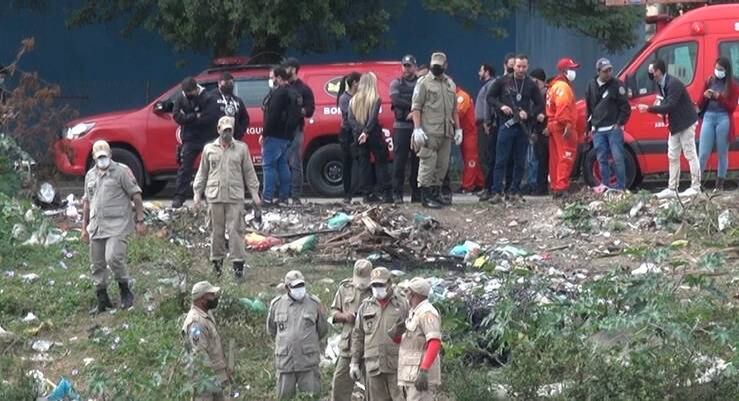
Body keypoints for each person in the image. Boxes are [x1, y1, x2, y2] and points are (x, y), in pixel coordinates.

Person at [193, 116, 261, 279]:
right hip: (215, 197)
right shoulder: (209, 149)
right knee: (216, 233)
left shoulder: (241, 149)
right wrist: (197, 194)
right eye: (224, 131)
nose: (227, 134)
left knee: (236, 232)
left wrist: (255, 194)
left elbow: (249, 173)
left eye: (230, 130)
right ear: (218, 130)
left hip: (234, 197)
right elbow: (202, 173)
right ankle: (217, 267)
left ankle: (238, 269)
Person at [82, 140, 145, 313]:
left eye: (105, 156)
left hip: (118, 224)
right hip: (97, 225)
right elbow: (87, 202)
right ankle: (102, 299)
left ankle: (125, 291)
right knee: (96, 264)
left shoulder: (121, 172)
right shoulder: (90, 175)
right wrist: (84, 227)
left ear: (110, 154)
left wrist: (140, 220)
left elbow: (136, 195)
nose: (102, 159)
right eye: (99, 157)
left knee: (113, 258)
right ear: (94, 157)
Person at [637, 59, 701, 198]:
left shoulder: (673, 84)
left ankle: (696, 187)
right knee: (672, 155)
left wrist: (649, 108)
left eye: (652, 71)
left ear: (659, 71)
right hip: (675, 124)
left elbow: (670, 106)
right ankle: (672, 188)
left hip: (686, 122)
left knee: (690, 153)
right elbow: (666, 103)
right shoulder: (661, 83)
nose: (650, 74)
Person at [486, 54, 545, 204]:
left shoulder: (531, 84)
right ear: (514, 66)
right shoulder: (503, 81)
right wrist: (501, 106)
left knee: (520, 161)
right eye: (518, 66)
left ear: (528, 67)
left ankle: (515, 191)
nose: (521, 69)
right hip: (506, 125)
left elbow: (540, 104)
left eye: (524, 67)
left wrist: (529, 113)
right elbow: (490, 97)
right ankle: (497, 191)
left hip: (522, 127)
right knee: (501, 159)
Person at [411, 52, 462, 209]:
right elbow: (416, 107)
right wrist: (417, 129)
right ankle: (425, 197)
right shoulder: (423, 83)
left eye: (439, 66)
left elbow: (454, 110)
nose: (436, 69)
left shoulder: (450, 84)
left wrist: (458, 129)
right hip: (429, 131)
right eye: (434, 66)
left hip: (446, 131)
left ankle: (436, 193)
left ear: (445, 66)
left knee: (442, 165)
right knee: (427, 164)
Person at [267, 270, 328, 400]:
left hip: (308, 362)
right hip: (285, 362)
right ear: (287, 288)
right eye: (295, 286)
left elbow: (322, 330)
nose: (299, 289)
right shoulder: (276, 305)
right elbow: (272, 331)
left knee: (311, 397)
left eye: (301, 285)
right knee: (284, 397)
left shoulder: (314, 303)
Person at [350, 267, 409, 401]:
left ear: (389, 283)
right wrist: (354, 362)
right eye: (374, 285)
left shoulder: (402, 304)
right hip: (373, 365)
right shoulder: (365, 307)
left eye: (381, 285)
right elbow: (358, 335)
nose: (377, 288)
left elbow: (410, 331)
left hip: (396, 365)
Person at [329, 259, 373, 401]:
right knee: (340, 383)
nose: (361, 284)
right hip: (347, 345)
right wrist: (345, 316)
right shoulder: (345, 288)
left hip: (369, 345)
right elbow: (334, 312)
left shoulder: (377, 289)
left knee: (373, 387)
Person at [585, 58, 631, 192]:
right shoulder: (591, 85)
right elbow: (589, 106)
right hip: (598, 129)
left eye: (610, 70)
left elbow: (625, 107)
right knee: (601, 159)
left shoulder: (617, 85)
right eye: (605, 71)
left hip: (613, 129)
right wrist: (589, 127)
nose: (608, 73)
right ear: (598, 71)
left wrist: (619, 123)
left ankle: (621, 187)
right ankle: (605, 186)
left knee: (618, 158)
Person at [172, 77, 218, 209]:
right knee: (185, 168)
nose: (187, 96)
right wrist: (193, 116)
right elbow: (177, 116)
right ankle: (179, 197)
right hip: (190, 139)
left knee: (212, 167)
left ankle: (212, 196)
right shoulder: (181, 98)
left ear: (196, 89)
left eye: (189, 93)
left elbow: (209, 117)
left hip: (208, 137)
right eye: (185, 93)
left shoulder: (208, 98)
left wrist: (189, 118)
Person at [349, 72, 393, 203]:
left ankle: (367, 194)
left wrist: (361, 131)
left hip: (358, 136)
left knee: (364, 164)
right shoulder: (375, 98)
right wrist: (367, 131)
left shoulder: (353, 100)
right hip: (373, 134)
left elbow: (350, 119)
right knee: (381, 162)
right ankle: (386, 193)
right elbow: (373, 118)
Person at [397, 277, 443, 401]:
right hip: (411, 374)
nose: (406, 295)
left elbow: (434, 342)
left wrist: (424, 370)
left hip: (420, 375)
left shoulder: (427, 313)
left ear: (414, 294)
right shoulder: (414, 313)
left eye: (407, 292)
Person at [182, 281, 229, 401]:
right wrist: (210, 380)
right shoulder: (196, 322)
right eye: (211, 295)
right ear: (202, 299)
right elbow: (200, 354)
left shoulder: (205, 315)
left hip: (214, 376)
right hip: (204, 379)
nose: (215, 298)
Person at [697, 56, 738, 192]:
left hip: (723, 118)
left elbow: (732, 107)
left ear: (726, 70)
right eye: (716, 68)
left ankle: (719, 185)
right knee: (703, 153)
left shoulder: (732, 85)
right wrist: (705, 96)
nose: (717, 71)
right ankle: (696, 183)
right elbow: (699, 104)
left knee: (722, 153)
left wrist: (718, 97)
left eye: (720, 69)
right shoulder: (709, 81)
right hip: (708, 117)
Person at [480, 54, 517, 201]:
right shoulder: (497, 83)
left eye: (515, 65)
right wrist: (487, 121)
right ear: (505, 65)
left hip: (513, 124)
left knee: (511, 159)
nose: (513, 67)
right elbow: (488, 101)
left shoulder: (519, 84)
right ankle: (490, 189)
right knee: (494, 159)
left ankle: (509, 189)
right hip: (497, 125)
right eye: (511, 64)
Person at [283, 57, 316, 205]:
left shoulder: (303, 89)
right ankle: (283, 195)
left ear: (293, 69)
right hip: (281, 131)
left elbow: (310, 110)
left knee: (295, 162)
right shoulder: (282, 87)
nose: (284, 70)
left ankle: (296, 196)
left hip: (296, 130)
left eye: (287, 67)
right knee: (281, 163)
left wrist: (298, 111)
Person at [546, 58, 580, 199]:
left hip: (553, 125)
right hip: (562, 127)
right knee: (566, 156)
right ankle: (561, 187)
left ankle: (555, 186)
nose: (574, 72)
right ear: (564, 71)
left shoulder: (553, 86)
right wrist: (567, 124)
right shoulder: (563, 87)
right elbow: (563, 105)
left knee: (556, 158)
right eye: (572, 69)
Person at [260, 66, 294, 206]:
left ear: (279, 78)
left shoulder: (279, 93)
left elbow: (272, 116)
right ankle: (284, 197)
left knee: (268, 166)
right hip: (287, 136)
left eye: (272, 77)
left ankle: (267, 198)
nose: (270, 80)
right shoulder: (292, 91)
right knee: (282, 165)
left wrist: (264, 134)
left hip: (274, 135)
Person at [390, 55, 421, 203]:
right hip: (401, 127)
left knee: (417, 162)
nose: (407, 69)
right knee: (399, 162)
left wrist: (414, 112)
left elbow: (425, 100)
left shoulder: (420, 83)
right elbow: (396, 100)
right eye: (405, 66)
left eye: (409, 66)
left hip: (417, 127)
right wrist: (414, 108)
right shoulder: (396, 83)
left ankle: (417, 194)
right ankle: (397, 194)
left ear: (415, 67)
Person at [337, 72, 362, 204]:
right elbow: (348, 116)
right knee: (347, 162)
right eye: (360, 82)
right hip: (348, 132)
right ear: (354, 83)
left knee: (362, 161)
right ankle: (347, 193)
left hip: (359, 131)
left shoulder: (361, 96)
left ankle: (364, 190)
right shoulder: (344, 98)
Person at [457, 86, 485, 192]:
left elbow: (459, 113)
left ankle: (467, 185)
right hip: (464, 132)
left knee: (470, 159)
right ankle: (479, 182)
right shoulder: (455, 96)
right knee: (470, 159)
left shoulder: (461, 97)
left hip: (470, 132)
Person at [206, 72, 250, 141]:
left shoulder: (237, 100)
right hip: (216, 139)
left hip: (234, 139)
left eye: (231, 83)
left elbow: (245, 119)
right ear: (219, 83)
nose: (229, 85)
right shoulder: (210, 98)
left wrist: (240, 132)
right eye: (226, 83)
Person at [528, 68, 550, 196]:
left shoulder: (546, 93)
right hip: (537, 129)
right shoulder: (536, 94)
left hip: (544, 131)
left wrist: (544, 116)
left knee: (541, 160)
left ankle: (540, 187)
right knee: (537, 159)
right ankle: (537, 185)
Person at [475, 63, 496, 196]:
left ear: (487, 72)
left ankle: (489, 188)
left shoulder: (490, 85)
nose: (479, 73)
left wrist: (487, 122)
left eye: (481, 70)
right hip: (482, 125)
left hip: (485, 126)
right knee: (484, 156)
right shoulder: (487, 85)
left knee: (486, 156)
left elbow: (489, 104)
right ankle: (487, 187)